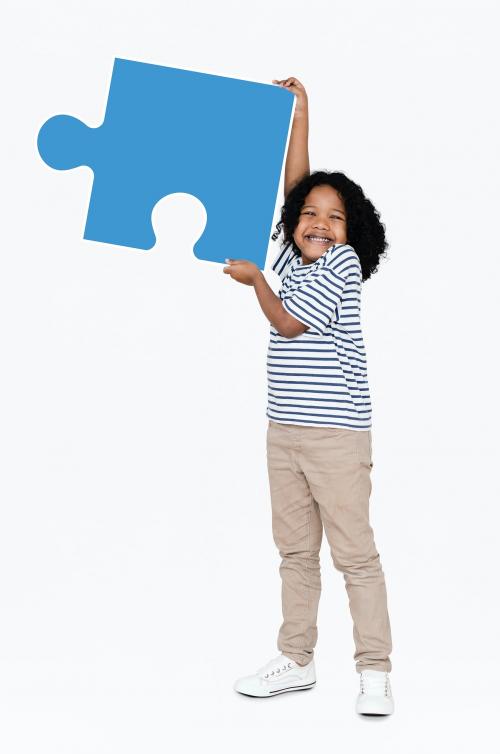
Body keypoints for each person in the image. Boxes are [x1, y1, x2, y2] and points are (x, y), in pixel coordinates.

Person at [224, 77, 394, 716]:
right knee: (294, 552)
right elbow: (296, 184)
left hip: (335, 438)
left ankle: (374, 669)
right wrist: (300, 113)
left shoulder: (341, 264)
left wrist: (254, 282)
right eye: (310, 215)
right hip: (284, 432)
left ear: (352, 231)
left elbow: (288, 322)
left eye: (335, 216)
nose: (321, 223)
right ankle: (296, 658)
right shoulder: (295, 257)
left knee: (355, 554)